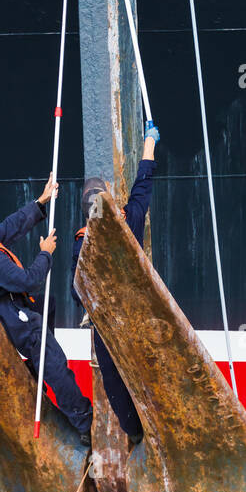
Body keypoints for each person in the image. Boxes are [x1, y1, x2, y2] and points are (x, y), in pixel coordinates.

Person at [0, 175, 93, 446]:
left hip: (18, 304)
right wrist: (46, 253)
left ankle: (36, 369)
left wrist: (41, 202)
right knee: (55, 364)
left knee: (46, 304)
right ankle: (85, 423)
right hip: (15, 319)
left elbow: (11, 227)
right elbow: (29, 280)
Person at [71, 126, 159, 444]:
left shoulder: (81, 245)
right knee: (145, 366)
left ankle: (135, 433)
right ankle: (155, 423)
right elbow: (142, 188)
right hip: (137, 317)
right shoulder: (129, 223)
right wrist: (149, 143)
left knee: (114, 379)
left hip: (107, 325)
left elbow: (76, 289)